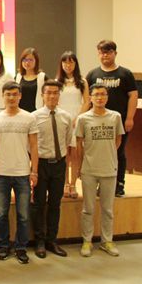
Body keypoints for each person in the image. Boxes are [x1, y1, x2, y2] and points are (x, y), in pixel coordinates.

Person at [0, 81, 38, 264]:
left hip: (22, 173)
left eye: (14, 94)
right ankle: (4, 245)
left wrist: (34, 171)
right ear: (3, 96)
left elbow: (34, 146)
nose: (11, 97)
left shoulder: (29, 118)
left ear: (20, 96)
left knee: (23, 215)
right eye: (8, 94)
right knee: (1, 214)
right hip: (1, 173)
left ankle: (20, 247)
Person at [76, 84, 125, 257]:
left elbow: (118, 140)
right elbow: (79, 145)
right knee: (88, 208)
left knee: (107, 209)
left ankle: (107, 241)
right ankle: (87, 241)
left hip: (109, 169)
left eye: (103, 94)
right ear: (90, 98)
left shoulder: (115, 117)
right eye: (96, 94)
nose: (99, 98)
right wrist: (80, 167)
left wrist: (108, 155)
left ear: (107, 97)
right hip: (89, 169)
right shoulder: (83, 119)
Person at [86, 40, 138, 197]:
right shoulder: (93, 74)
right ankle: (101, 184)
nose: (105, 55)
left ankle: (119, 183)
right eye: (102, 52)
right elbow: (86, 98)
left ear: (115, 53)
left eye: (108, 52)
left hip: (118, 121)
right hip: (96, 122)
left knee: (118, 151)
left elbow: (133, 96)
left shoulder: (125, 74)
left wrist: (129, 118)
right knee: (99, 151)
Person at [31, 80, 73, 259]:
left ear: (59, 95)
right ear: (42, 95)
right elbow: (30, 144)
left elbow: (68, 142)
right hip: (41, 164)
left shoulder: (66, 117)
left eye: (55, 93)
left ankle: (52, 240)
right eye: (48, 92)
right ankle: (39, 241)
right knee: (39, 203)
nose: (52, 96)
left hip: (59, 164)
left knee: (55, 203)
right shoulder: (34, 117)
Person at [55, 51, 90, 199]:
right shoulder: (57, 81)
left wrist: (78, 118)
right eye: (65, 62)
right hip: (61, 120)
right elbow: (54, 101)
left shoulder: (82, 81)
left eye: (71, 62)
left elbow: (87, 101)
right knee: (63, 155)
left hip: (77, 120)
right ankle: (64, 184)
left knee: (75, 154)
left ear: (75, 64)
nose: (68, 65)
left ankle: (73, 184)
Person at [15, 47, 48, 112]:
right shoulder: (18, 77)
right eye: (25, 60)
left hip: (37, 112)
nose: (27, 63)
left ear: (36, 61)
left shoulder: (42, 77)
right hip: (21, 112)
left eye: (30, 60)